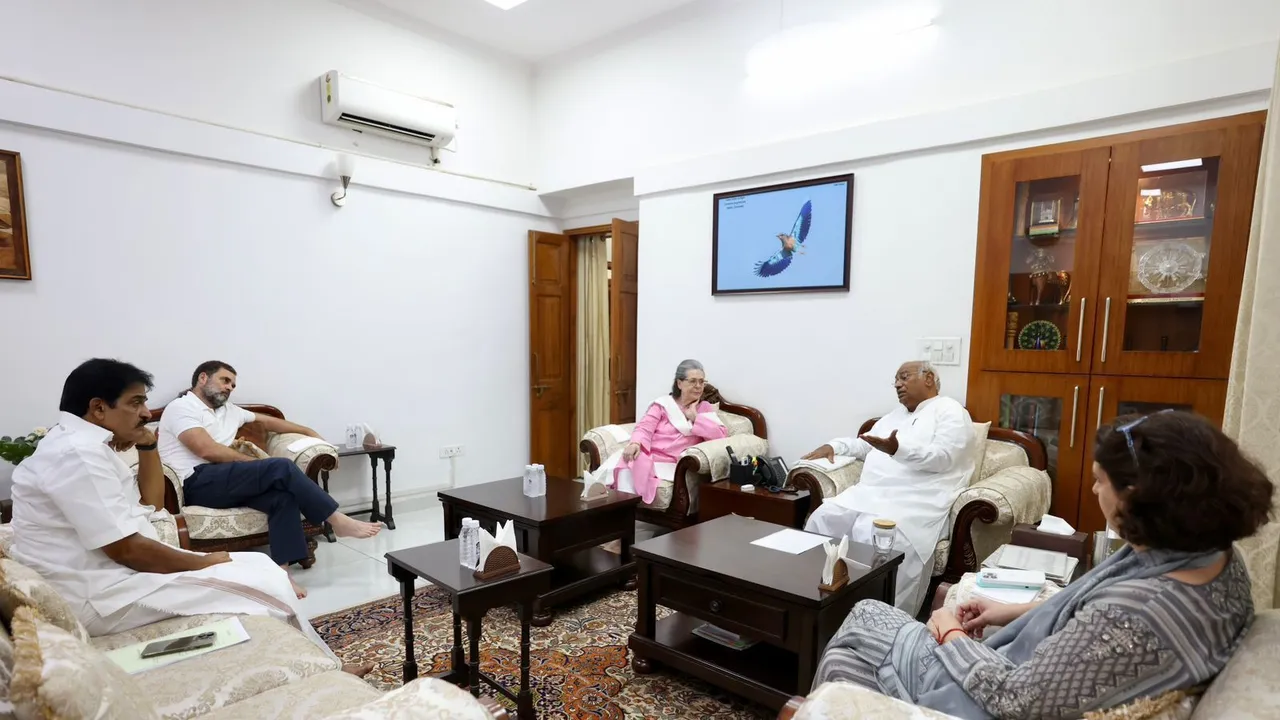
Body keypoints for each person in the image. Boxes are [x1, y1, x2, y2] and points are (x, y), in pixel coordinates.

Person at [812, 410, 1271, 719]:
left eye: (1099, 482)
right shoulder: (1212, 555)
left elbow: (1016, 698)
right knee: (863, 615)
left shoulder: (1138, 616)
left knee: (850, 639)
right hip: (1021, 662)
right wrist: (1012, 612)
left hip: (989, 698)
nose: (1094, 492)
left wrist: (949, 630)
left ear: (1139, 495)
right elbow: (1092, 633)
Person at [9, 359, 369, 675]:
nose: (147, 413)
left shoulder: (85, 447)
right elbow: (128, 550)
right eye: (136, 403)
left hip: (114, 575)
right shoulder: (78, 455)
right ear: (99, 408)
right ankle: (325, 666)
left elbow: (152, 505)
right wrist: (206, 560)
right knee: (266, 581)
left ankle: (318, 662)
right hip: (103, 593)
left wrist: (148, 445)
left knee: (269, 557)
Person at [157, 361, 380, 598]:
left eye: (233, 384)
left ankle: (282, 576)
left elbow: (270, 422)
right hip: (195, 482)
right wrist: (260, 466)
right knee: (280, 467)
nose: (230, 387)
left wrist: (309, 432)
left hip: (226, 480)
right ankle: (336, 520)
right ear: (203, 378)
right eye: (224, 380)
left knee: (282, 498)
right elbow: (207, 450)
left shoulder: (230, 411)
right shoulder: (181, 408)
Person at [800, 360, 977, 614]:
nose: (897, 384)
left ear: (928, 378)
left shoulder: (951, 411)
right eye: (895, 379)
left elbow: (944, 457)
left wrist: (898, 449)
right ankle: (818, 603)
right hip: (869, 494)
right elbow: (866, 444)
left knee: (872, 532)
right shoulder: (893, 416)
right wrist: (835, 447)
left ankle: (880, 620)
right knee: (824, 517)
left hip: (917, 498)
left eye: (904, 377)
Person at [588, 359, 728, 504]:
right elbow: (644, 427)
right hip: (651, 456)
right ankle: (617, 509)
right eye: (693, 381)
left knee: (632, 465)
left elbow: (720, 436)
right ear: (679, 383)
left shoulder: (704, 408)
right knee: (629, 459)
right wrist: (635, 443)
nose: (698, 386)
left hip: (674, 463)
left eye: (701, 381)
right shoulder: (663, 405)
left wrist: (695, 418)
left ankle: (623, 511)